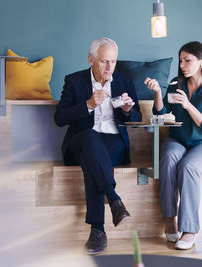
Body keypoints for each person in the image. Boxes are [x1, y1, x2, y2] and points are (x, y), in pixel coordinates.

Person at [54, 37, 142, 254]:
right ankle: (114, 200)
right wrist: (88, 105)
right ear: (90, 59)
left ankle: (98, 231)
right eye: (104, 62)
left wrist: (129, 110)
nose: (109, 67)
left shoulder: (123, 80)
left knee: (91, 160)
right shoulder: (74, 81)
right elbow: (60, 118)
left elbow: (137, 117)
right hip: (80, 141)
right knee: (89, 137)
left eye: (113, 61)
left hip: (114, 143)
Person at [144, 41, 202, 250]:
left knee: (188, 166)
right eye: (180, 60)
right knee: (169, 157)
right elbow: (159, 115)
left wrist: (188, 105)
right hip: (178, 140)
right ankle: (170, 218)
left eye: (187, 60)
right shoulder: (175, 83)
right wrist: (157, 94)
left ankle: (189, 229)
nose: (182, 65)